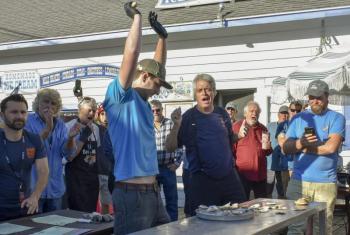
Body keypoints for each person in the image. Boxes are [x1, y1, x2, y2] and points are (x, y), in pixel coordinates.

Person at [103, 3, 171, 234]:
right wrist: (137, 19)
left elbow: (157, 68)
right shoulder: (120, 97)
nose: (159, 91)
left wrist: (162, 38)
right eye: (157, 85)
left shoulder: (143, 103)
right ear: (143, 76)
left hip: (153, 192)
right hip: (131, 196)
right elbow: (131, 54)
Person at [166, 73, 246, 216]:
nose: (204, 93)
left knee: (240, 216)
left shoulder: (223, 114)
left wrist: (238, 136)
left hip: (229, 177)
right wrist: (176, 126)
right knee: (205, 224)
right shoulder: (187, 117)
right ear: (195, 95)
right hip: (202, 180)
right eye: (200, 90)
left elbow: (227, 140)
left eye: (208, 89)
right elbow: (170, 147)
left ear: (214, 92)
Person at [283, 80, 345, 235]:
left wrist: (303, 147)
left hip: (325, 183)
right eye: (311, 97)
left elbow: (331, 148)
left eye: (319, 97)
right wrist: (300, 143)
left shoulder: (336, 118)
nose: (314, 101)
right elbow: (285, 148)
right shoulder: (298, 119)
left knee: (321, 229)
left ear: (327, 97)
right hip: (298, 181)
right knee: (295, 228)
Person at [25, 88, 77, 213]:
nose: (49, 106)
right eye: (46, 101)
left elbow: (68, 154)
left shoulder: (61, 125)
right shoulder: (28, 121)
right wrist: (47, 129)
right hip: (34, 190)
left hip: (55, 189)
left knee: (55, 228)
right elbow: (29, 150)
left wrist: (70, 138)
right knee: (35, 228)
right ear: (38, 103)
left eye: (53, 103)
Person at [0, 94, 49, 221]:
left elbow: (43, 171)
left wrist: (35, 196)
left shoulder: (34, 139)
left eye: (23, 112)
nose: (20, 116)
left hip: (26, 207)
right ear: (2, 115)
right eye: (14, 112)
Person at [65, 97, 101, 213]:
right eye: (89, 110)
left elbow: (95, 153)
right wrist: (83, 137)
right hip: (76, 179)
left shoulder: (96, 128)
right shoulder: (69, 127)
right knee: (77, 213)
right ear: (79, 110)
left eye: (94, 110)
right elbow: (69, 157)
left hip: (91, 178)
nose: (92, 113)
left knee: (91, 213)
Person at [151, 99, 183, 221]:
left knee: (172, 201)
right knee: (153, 202)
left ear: (162, 110)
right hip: (153, 169)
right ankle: (156, 229)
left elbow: (180, 145)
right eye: (152, 110)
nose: (155, 112)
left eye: (157, 110)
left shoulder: (171, 124)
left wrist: (177, 163)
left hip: (168, 167)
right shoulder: (147, 125)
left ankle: (173, 226)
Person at [232, 101, 272, 199]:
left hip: (260, 174)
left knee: (262, 204)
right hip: (242, 174)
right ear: (245, 113)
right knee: (242, 203)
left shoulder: (263, 128)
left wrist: (268, 148)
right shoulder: (237, 126)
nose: (254, 113)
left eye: (257, 111)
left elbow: (267, 151)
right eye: (251, 111)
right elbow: (230, 149)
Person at [266, 105, 289, 198]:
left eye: (286, 113)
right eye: (282, 113)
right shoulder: (270, 125)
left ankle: (283, 208)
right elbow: (264, 139)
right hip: (270, 162)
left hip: (283, 163)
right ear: (278, 114)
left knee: (282, 190)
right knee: (268, 188)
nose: (284, 115)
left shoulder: (290, 126)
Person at [277, 101, 303, 177]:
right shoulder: (283, 125)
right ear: (289, 110)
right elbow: (282, 143)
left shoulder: (305, 125)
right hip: (286, 165)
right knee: (285, 188)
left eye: (298, 111)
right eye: (293, 110)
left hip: (300, 165)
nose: (295, 113)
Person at [94, 103, 112, 214]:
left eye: (108, 114)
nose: (105, 118)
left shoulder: (115, 130)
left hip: (108, 172)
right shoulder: (95, 128)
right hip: (95, 171)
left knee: (107, 202)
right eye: (102, 114)